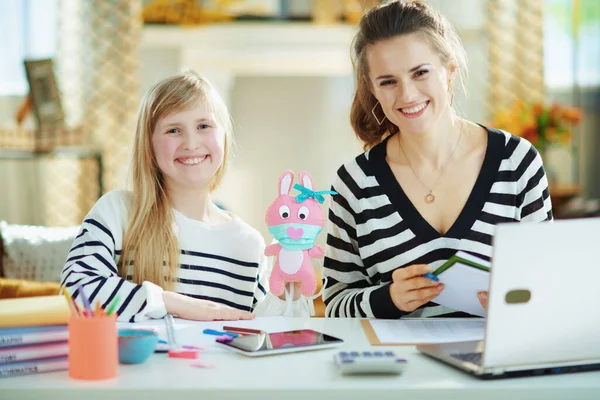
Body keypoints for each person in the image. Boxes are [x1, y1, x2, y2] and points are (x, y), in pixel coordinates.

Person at [323, 0, 553, 319]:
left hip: (492, 361)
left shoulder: (517, 162)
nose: (407, 95)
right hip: (399, 365)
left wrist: (514, 300)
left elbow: (549, 287)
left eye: (420, 73)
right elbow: (334, 304)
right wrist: (388, 298)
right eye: (388, 81)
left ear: (449, 71)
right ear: (372, 89)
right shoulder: (354, 183)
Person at [60, 71, 310, 322]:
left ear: (224, 136)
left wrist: (289, 295)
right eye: (173, 130)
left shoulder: (249, 244)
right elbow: (75, 293)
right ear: (149, 144)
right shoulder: (117, 212)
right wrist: (172, 303)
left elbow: (257, 329)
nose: (191, 143)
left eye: (203, 126)